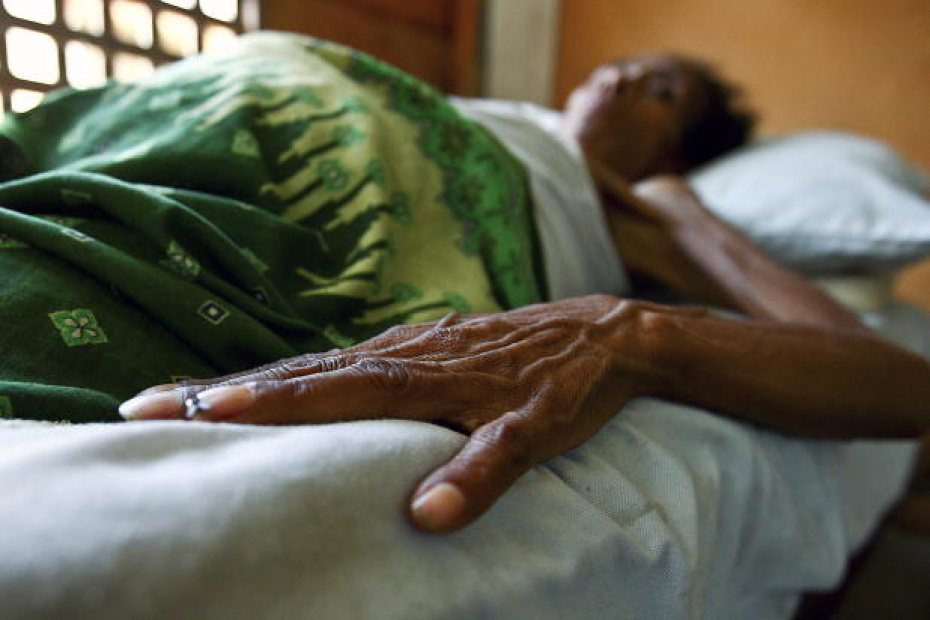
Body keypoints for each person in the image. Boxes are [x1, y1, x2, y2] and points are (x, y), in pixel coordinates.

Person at [1, 33, 927, 537]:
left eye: (661, 91)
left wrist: (631, 331)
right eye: (634, 64)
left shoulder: (647, 204)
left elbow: (893, 379)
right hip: (165, 132)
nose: (623, 73)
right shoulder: (481, 107)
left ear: (677, 148)